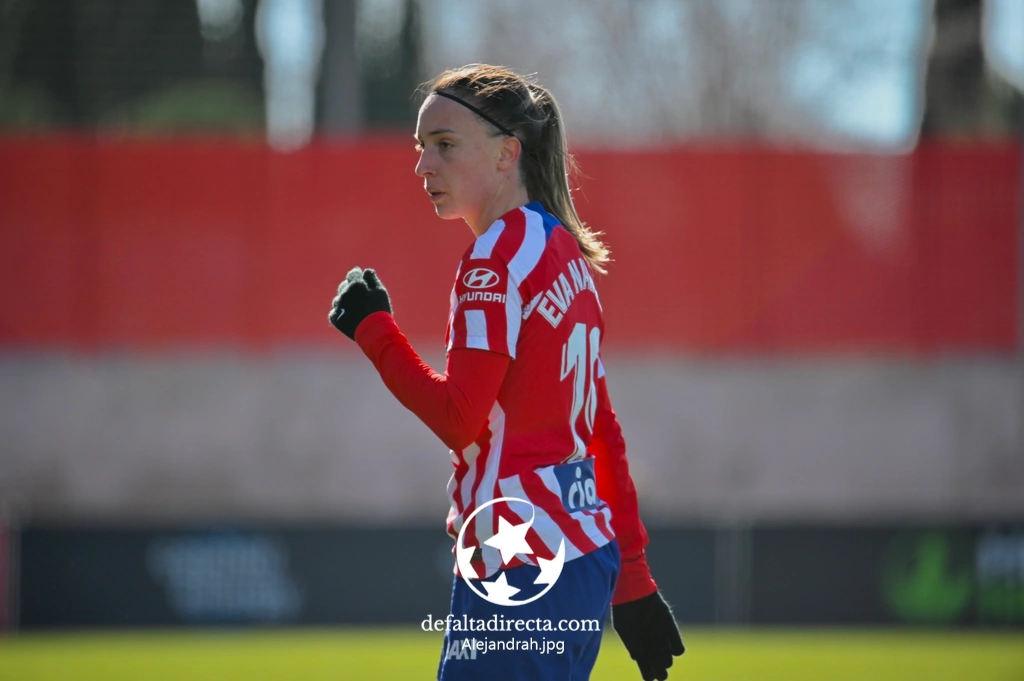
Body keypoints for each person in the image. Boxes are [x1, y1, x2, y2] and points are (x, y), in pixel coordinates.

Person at [328, 64, 684, 681]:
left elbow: (460, 418)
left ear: (506, 153)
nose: (423, 166)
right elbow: (599, 432)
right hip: (582, 560)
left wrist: (374, 330)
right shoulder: (561, 251)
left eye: (444, 146)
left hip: (523, 563)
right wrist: (632, 581)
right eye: (421, 148)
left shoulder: (494, 259)